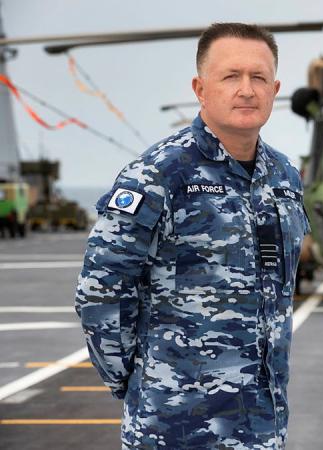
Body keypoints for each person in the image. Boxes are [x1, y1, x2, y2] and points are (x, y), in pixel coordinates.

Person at [74, 23, 309, 449]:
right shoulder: (159, 174)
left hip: (262, 425)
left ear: (275, 90)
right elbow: (101, 292)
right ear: (200, 89)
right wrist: (137, 382)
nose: (246, 90)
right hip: (173, 428)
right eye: (230, 76)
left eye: (258, 78)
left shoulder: (284, 177)